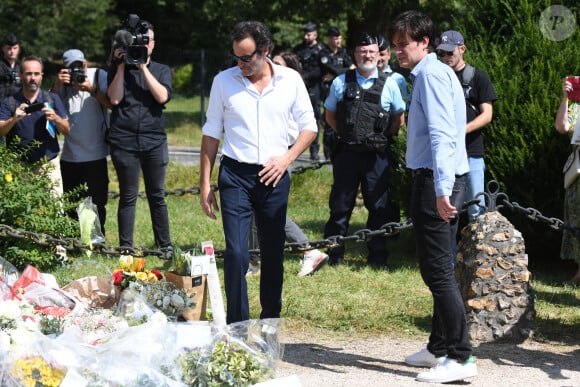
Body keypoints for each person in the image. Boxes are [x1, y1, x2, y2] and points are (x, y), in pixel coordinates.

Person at [200, 21, 317, 324]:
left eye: (247, 57)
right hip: (235, 174)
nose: (240, 64)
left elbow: (310, 127)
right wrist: (204, 183)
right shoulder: (223, 82)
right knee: (238, 253)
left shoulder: (290, 81)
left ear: (265, 52)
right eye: (236, 57)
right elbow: (211, 133)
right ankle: (238, 325)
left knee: (273, 252)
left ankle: (269, 322)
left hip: (274, 175)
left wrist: (287, 158)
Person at [388, 11, 477, 383]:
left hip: (437, 181)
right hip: (435, 179)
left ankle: (460, 357)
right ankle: (439, 347)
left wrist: (441, 190)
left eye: (403, 44)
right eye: (394, 46)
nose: (397, 52)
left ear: (424, 42)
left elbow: (443, 135)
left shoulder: (431, 75)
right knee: (438, 267)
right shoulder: (429, 73)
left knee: (437, 270)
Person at [323, 33, 405, 269]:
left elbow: (399, 118)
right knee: (340, 205)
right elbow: (330, 114)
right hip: (347, 154)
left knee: (379, 207)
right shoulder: (341, 82)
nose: (367, 55)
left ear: (379, 55)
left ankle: (377, 256)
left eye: (371, 51)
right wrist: (346, 134)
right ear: (355, 54)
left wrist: (381, 138)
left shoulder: (390, 84)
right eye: (362, 51)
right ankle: (334, 254)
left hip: (376, 156)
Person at [245, 50, 329, 278]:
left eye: (278, 64)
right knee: (256, 209)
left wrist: (285, 156)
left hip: (277, 157)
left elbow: (302, 128)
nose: (271, 68)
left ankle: (308, 250)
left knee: (269, 210)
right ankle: (255, 260)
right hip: (262, 156)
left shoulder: (288, 89)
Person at [107, 22, 173, 256]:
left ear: (153, 44)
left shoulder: (162, 69)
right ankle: (126, 247)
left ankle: (164, 245)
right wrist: (123, 66)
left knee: (157, 195)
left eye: (149, 40)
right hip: (124, 141)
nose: (145, 43)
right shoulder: (117, 68)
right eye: (140, 40)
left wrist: (143, 67)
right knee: (127, 196)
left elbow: (163, 97)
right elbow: (113, 100)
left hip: (153, 140)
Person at [437, 30, 497, 222]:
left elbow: (487, 115)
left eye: (450, 52)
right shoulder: (437, 78)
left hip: (471, 152)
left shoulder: (478, 77)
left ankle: (478, 251)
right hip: (445, 153)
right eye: (442, 53)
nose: (446, 57)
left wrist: (462, 131)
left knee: (476, 209)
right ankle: (449, 253)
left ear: (462, 49)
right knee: (447, 209)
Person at [52, 49, 110, 233]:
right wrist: (57, 84)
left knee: (98, 201)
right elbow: (48, 106)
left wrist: (91, 89)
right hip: (70, 155)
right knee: (69, 202)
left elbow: (112, 103)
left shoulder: (98, 76)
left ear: (86, 64)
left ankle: (97, 238)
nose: (78, 70)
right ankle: (72, 238)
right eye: (72, 67)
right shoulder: (62, 86)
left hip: (96, 153)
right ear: (66, 69)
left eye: (81, 65)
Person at [0, 55, 70, 195]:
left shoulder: (52, 98)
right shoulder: (10, 102)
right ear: (21, 75)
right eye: (29, 73)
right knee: (23, 214)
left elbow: (67, 130)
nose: (33, 78)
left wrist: (55, 118)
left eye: (36, 74)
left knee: (54, 212)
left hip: (48, 165)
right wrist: (13, 119)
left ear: (42, 76)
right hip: (20, 166)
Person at [555, 78, 580, 284]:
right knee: (576, 218)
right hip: (578, 171)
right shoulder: (576, 107)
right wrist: (565, 98)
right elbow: (562, 127)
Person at [319, 26, 354, 161]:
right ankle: (327, 154)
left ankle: (338, 150)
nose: (338, 40)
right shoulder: (323, 54)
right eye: (335, 37)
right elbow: (330, 67)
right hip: (326, 90)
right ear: (329, 39)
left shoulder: (344, 52)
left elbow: (352, 69)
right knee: (328, 121)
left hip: (341, 91)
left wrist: (334, 74)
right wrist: (342, 70)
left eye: (340, 37)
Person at [293, 21, 324, 161]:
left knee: (314, 118)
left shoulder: (321, 50)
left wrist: (304, 77)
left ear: (315, 34)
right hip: (299, 87)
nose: (306, 36)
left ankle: (314, 150)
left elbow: (321, 70)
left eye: (309, 34)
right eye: (305, 33)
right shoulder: (298, 49)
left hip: (313, 87)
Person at [376, 34, 410, 107]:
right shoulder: (364, 77)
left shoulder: (398, 79)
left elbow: (407, 106)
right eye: (375, 54)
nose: (378, 58)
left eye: (382, 54)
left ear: (389, 54)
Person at [0, 33, 21, 101]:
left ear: (19, 49)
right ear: (3, 49)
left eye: (15, 48)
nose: (12, 51)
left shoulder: (21, 68)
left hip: (18, 106)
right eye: (9, 48)